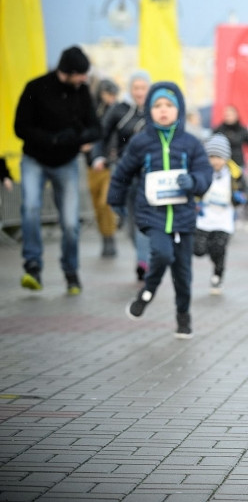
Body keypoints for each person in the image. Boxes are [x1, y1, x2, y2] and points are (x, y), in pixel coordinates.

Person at [107, 82, 213, 339]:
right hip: (152, 215)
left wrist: (194, 182)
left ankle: (183, 316)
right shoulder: (141, 142)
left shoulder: (191, 143)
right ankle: (147, 292)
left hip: (183, 218)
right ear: (149, 110)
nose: (163, 111)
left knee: (183, 273)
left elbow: (205, 173)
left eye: (169, 105)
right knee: (163, 254)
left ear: (179, 109)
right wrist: (116, 200)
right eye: (157, 106)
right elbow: (122, 173)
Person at [14, 45, 103, 294]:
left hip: (66, 163)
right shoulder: (36, 87)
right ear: (68, 71)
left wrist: (75, 137)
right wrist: (51, 139)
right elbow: (20, 127)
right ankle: (32, 265)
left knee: (70, 221)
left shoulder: (82, 92)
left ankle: (71, 272)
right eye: (81, 74)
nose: (84, 78)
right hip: (35, 159)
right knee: (31, 208)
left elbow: (96, 129)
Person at [99, 70, 153, 281]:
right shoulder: (119, 110)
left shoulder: (156, 110)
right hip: (124, 171)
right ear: (130, 89)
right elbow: (101, 135)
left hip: (148, 174)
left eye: (143, 88)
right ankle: (143, 254)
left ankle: (143, 262)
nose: (139, 92)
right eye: (136, 88)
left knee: (141, 219)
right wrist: (98, 157)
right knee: (128, 221)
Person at [194, 133, 247, 294]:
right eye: (211, 157)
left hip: (224, 220)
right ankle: (211, 252)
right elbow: (195, 189)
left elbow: (247, 192)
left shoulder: (235, 175)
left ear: (226, 158)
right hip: (204, 218)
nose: (215, 161)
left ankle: (217, 275)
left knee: (219, 248)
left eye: (219, 157)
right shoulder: (202, 172)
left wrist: (242, 197)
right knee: (198, 249)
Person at [87, 77, 120, 258]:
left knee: (105, 202)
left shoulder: (116, 111)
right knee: (97, 206)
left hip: (108, 164)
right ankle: (105, 237)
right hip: (90, 165)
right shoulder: (91, 110)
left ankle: (110, 237)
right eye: (109, 94)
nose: (112, 98)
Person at [213, 104, 248, 169]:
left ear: (236, 115)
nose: (228, 117)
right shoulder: (219, 130)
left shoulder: (242, 130)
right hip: (222, 164)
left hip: (238, 163)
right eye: (227, 115)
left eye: (230, 115)